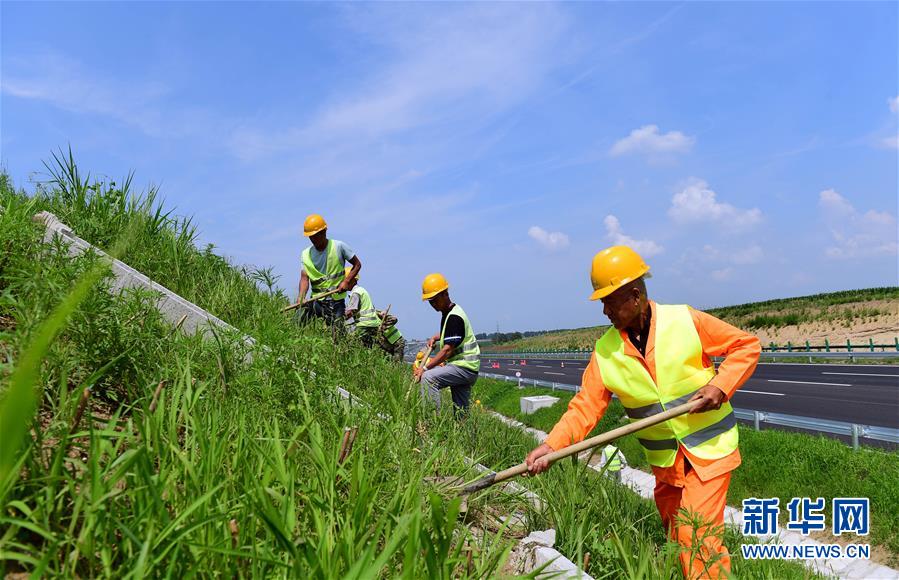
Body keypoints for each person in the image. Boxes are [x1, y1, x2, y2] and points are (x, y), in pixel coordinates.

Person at [524, 245, 760, 579]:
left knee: (697, 542)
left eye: (609, 301)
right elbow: (585, 407)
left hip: (710, 452)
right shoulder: (606, 351)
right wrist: (552, 446)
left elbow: (745, 345)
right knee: (677, 541)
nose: (604, 310)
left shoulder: (685, 321)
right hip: (667, 466)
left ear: (635, 296)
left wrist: (721, 385)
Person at [412, 273, 480, 413]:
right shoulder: (449, 313)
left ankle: (431, 423)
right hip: (466, 368)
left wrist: (424, 368)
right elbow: (451, 335)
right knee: (461, 413)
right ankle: (464, 432)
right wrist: (437, 337)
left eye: (435, 300)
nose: (433, 305)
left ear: (445, 294)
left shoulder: (454, 316)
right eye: (430, 302)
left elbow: (447, 351)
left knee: (428, 378)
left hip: (464, 367)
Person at [297, 214, 360, 326]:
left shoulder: (339, 246)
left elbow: (357, 264)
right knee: (298, 322)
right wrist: (301, 298)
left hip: (336, 301)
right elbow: (304, 278)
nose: (313, 239)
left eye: (315, 236)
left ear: (324, 232)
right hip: (316, 301)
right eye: (310, 237)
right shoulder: (305, 254)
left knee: (337, 333)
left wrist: (346, 281)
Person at [344, 268, 380, 347]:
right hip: (373, 324)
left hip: (364, 325)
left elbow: (350, 312)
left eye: (345, 280)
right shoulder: (362, 290)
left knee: (352, 346)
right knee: (368, 348)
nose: (344, 283)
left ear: (352, 280)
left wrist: (337, 317)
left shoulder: (355, 293)